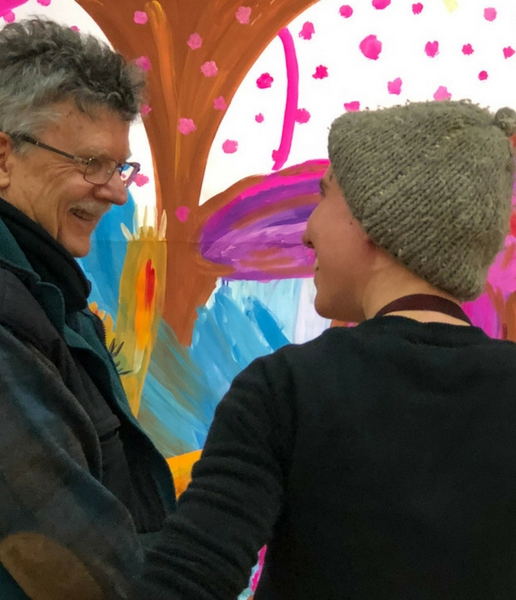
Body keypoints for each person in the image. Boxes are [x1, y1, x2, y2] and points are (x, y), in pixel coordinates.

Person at [131, 100, 516, 600]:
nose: (309, 231)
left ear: (374, 221)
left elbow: (185, 581)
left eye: (325, 196)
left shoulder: (286, 389)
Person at [0, 18, 175, 600]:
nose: (116, 191)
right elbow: (72, 557)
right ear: (2, 158)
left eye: (120, 167)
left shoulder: (30, 286)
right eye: (91, 164)